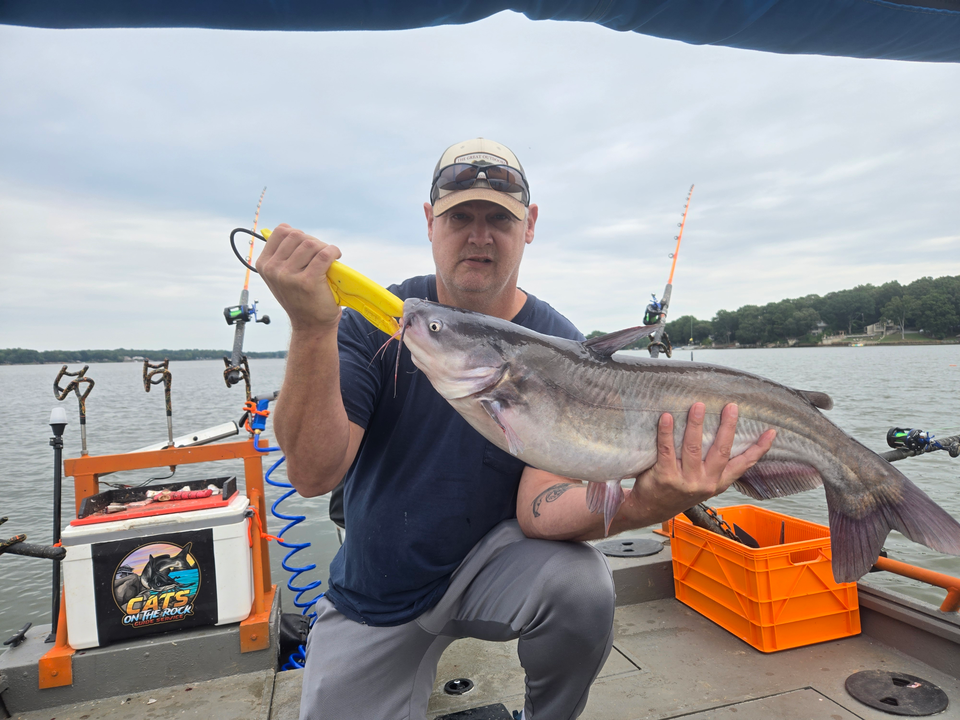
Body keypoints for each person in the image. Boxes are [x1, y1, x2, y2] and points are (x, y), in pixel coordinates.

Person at [257, 138, 775, 720]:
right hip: (378, 584)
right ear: (429, 222)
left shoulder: (559, 345)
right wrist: (310, 329)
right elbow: (312, 475)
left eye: (499, 220)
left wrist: (649, 502)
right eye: (460, 218)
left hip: (496, 566)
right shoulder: (375, 322)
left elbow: (541, 507)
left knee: (582, 586)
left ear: (529, 226)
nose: (479, 237)